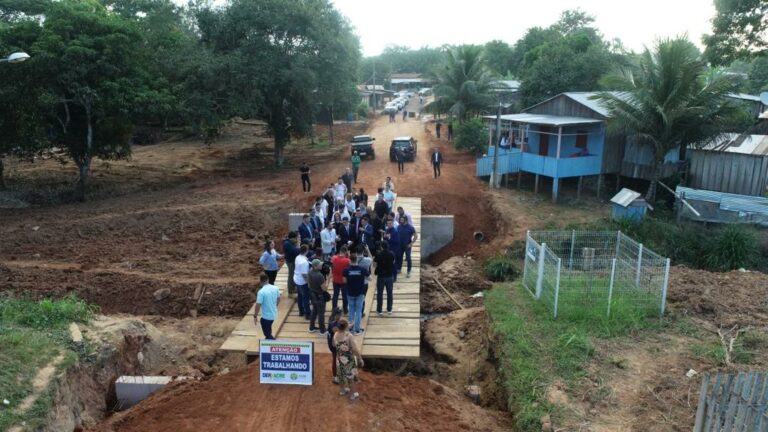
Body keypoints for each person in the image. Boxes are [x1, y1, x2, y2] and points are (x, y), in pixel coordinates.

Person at [333, 318, 364, 400]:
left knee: (341, 374)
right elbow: (354, 349)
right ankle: (353, 394)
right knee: (351, 376)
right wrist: (360, 358)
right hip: (348, 360)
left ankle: (342, 390)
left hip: (339, 358)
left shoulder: (335, 334)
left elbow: (334, 345)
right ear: (346, 326)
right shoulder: (348, 336)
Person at [342, 254, 368, 335]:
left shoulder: (346, 270)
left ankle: (350, 328)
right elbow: (370, 278)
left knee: (351, 310)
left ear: (350, 260)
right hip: (360, 292)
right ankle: (357, 329)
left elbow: (344, 281)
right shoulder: (362, 269)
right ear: (357, 260)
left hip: (350, 292)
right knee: (358, 311)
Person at [254, 273, 280, 340]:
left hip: (266, 316)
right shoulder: (275, 288)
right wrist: (274, 306)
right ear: (268, 280)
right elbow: (278, 298)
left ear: (260, 281)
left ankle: (271, 342)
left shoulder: (261, 292)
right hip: (274, 314)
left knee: (267, 334)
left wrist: (255, 315)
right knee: (268, 329)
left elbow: (258, 304)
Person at [374, 242, 396, 315]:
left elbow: (374, 265)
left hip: (381, 276)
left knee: (380, 293)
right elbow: (393, 262)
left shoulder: (379, 254)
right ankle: (389, 309)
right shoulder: (392, 253)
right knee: (390, 293)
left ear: (381, 247)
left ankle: (379, 310)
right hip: (390, 276)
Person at [308, 259, 329, 334]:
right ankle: (322, 330)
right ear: (315, 266)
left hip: (313, 294)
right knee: (321, 313)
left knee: (314, 311)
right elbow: (324, 289)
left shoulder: (310, 271)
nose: (321, 265)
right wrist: (328, 279)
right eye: (320, 265)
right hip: (320, 296)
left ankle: (311, 327)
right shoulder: (319, 276)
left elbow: (309, 284)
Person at [331, 245, 351, 314]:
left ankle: (334, 309)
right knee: (345, 295)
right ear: (346, 252)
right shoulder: (348, 260)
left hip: (335, 279)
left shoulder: (334, 258)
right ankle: (345, 310)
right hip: (344, 280)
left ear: (340, 251)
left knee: (335, 295)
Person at [293, 244, 311, 319]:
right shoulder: (304, 262)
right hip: (302, 281)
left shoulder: (297, 257)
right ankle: (308, 314)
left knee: (300, 296)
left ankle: (301, 311)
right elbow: (304, 274)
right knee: (306, 298)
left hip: (296, 279)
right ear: (306, 251)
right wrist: (309, 283)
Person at [327, 307, 343, 383]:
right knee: (335, 359)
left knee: (338, 359)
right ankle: (335, 377)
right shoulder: (332, 322)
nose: (341, 315)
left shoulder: (337, 321)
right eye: (340, 314)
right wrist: (347, 327)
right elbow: (336, 331)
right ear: (336, 315)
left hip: (336, 342)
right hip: (333, 343)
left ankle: (338, 375)